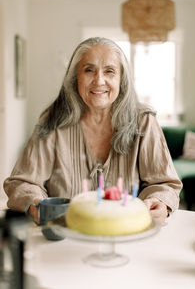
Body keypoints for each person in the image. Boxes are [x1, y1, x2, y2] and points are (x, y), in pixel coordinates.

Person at [4, 37, 182, 224]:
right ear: (75, 77)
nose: (99, 80)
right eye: (89, 70)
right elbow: (22, 183)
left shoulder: (144, 120)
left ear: (121, 79)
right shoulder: (52, 120)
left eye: (109, 71)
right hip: (66, 236)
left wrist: (159, 201)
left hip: (127, 236)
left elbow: (164, 183)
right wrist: (35, 203)